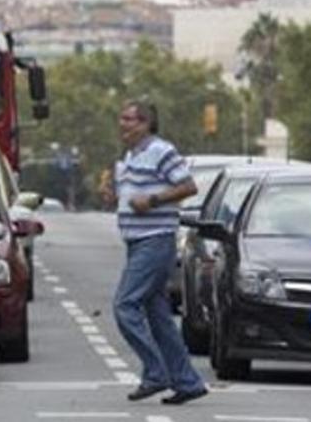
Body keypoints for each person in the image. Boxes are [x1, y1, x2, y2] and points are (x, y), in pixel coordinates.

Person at [101, 98, 207, 406]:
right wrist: (114, 196)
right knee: (158, 315)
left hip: (155, 240)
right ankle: (187, 382)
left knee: (125, 305)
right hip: (137, 242)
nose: (123, 124)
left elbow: (188, 187)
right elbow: (131, 195)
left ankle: (155, 372)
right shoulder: (132, 155)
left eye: (129, 119)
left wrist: (154, 200)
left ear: (146, 123)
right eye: (121, 118)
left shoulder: (161, 151)